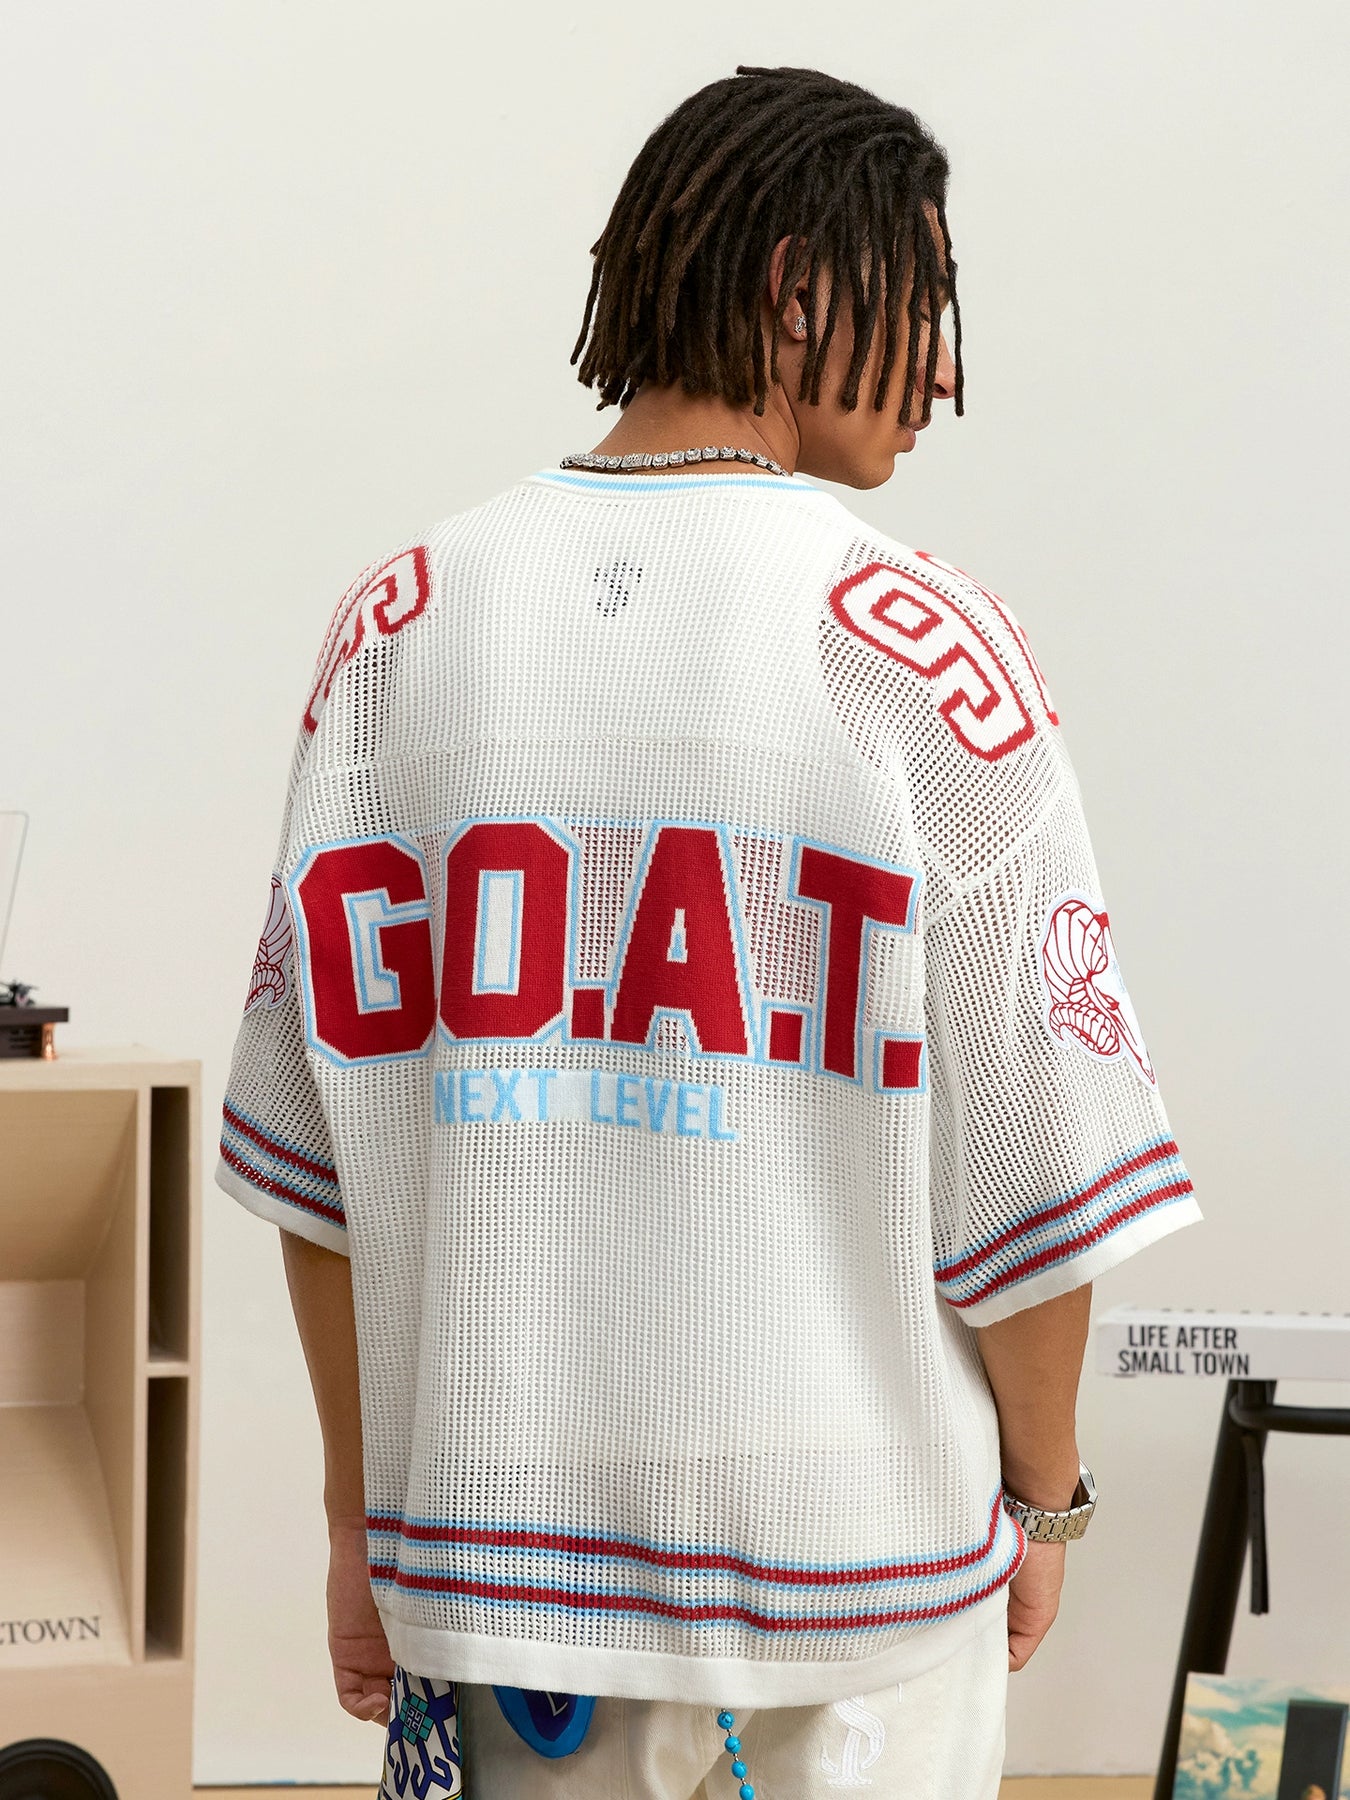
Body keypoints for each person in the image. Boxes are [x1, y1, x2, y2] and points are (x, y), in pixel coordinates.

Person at [217, 63, 1203, 1799]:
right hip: (852, 1598)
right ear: (797, 291)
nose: (946, 370)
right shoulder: (919, 650)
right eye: (927, 299)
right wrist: (1046, 1500)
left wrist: (356, 1529)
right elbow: (1032, 1188)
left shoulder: (401, 627)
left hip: (500, 1596)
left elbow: (329, 1178)